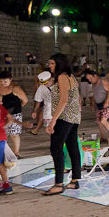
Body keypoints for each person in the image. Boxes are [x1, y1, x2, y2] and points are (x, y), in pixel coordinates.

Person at [43, 53, 83, 196]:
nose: (50, 66)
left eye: (52, 63)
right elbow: (76, 98)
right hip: (73, 117)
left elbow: (64, 100)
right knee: (72, 147)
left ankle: (59, 183)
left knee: (56, 148)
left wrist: (53, 121)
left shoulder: (62, 77)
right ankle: (75, 180)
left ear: (59, 64)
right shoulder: (71, 77)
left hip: (64, 118)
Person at [0, 70, 28, 158]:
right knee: (2, 134)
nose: (3, 83)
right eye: (1, 81)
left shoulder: (15, 89)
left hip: (15, 114)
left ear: (10, 80)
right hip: (2, 114)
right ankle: (4, 152)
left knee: (14, 134)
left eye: (5, 81)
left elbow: (25, 100)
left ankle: (16, 152)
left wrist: (18, 107)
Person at [85, 70, 109, 141]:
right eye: (88, 79)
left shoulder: (103, 81)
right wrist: (93, 104)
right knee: (98, 120)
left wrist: (107, 101)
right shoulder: (93, 84)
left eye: (90, 78)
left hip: (107, 104)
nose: (89, 80)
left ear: (95, 76)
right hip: (99, 104)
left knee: (103, 121)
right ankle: (103, 136)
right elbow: (95, 95)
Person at [28, 71, 53, 136]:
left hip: (59, 113)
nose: (45, 85)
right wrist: (34, 111)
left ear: (51, 79)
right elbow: (38, 100)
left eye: (46, 83)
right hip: (48, 113)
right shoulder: (42, 87)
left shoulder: (58, 86)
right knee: (49, 130)